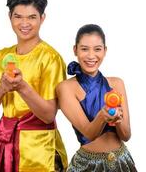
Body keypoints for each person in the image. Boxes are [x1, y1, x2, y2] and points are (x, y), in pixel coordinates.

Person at [0, 0, 68, 172]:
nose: (24, 23)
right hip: (6, 145)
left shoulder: (50, 58)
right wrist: (3, 88)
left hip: (39, 150)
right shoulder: (1, 56)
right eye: (18, 16)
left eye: (31, 17)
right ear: (9, 17)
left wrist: (22, 87)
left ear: (42, 18)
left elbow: (48, 114)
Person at [56, 24, 137, 171]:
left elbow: (126, 135)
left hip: (122, 162)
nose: (91, 56)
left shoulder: (117, 83)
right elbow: (89, 133)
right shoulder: (66, 88)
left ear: (105, 51)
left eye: (97, 49)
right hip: (87, 165)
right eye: (84, 49)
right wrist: (102, 116)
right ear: (75, 50)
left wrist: (118, 120)